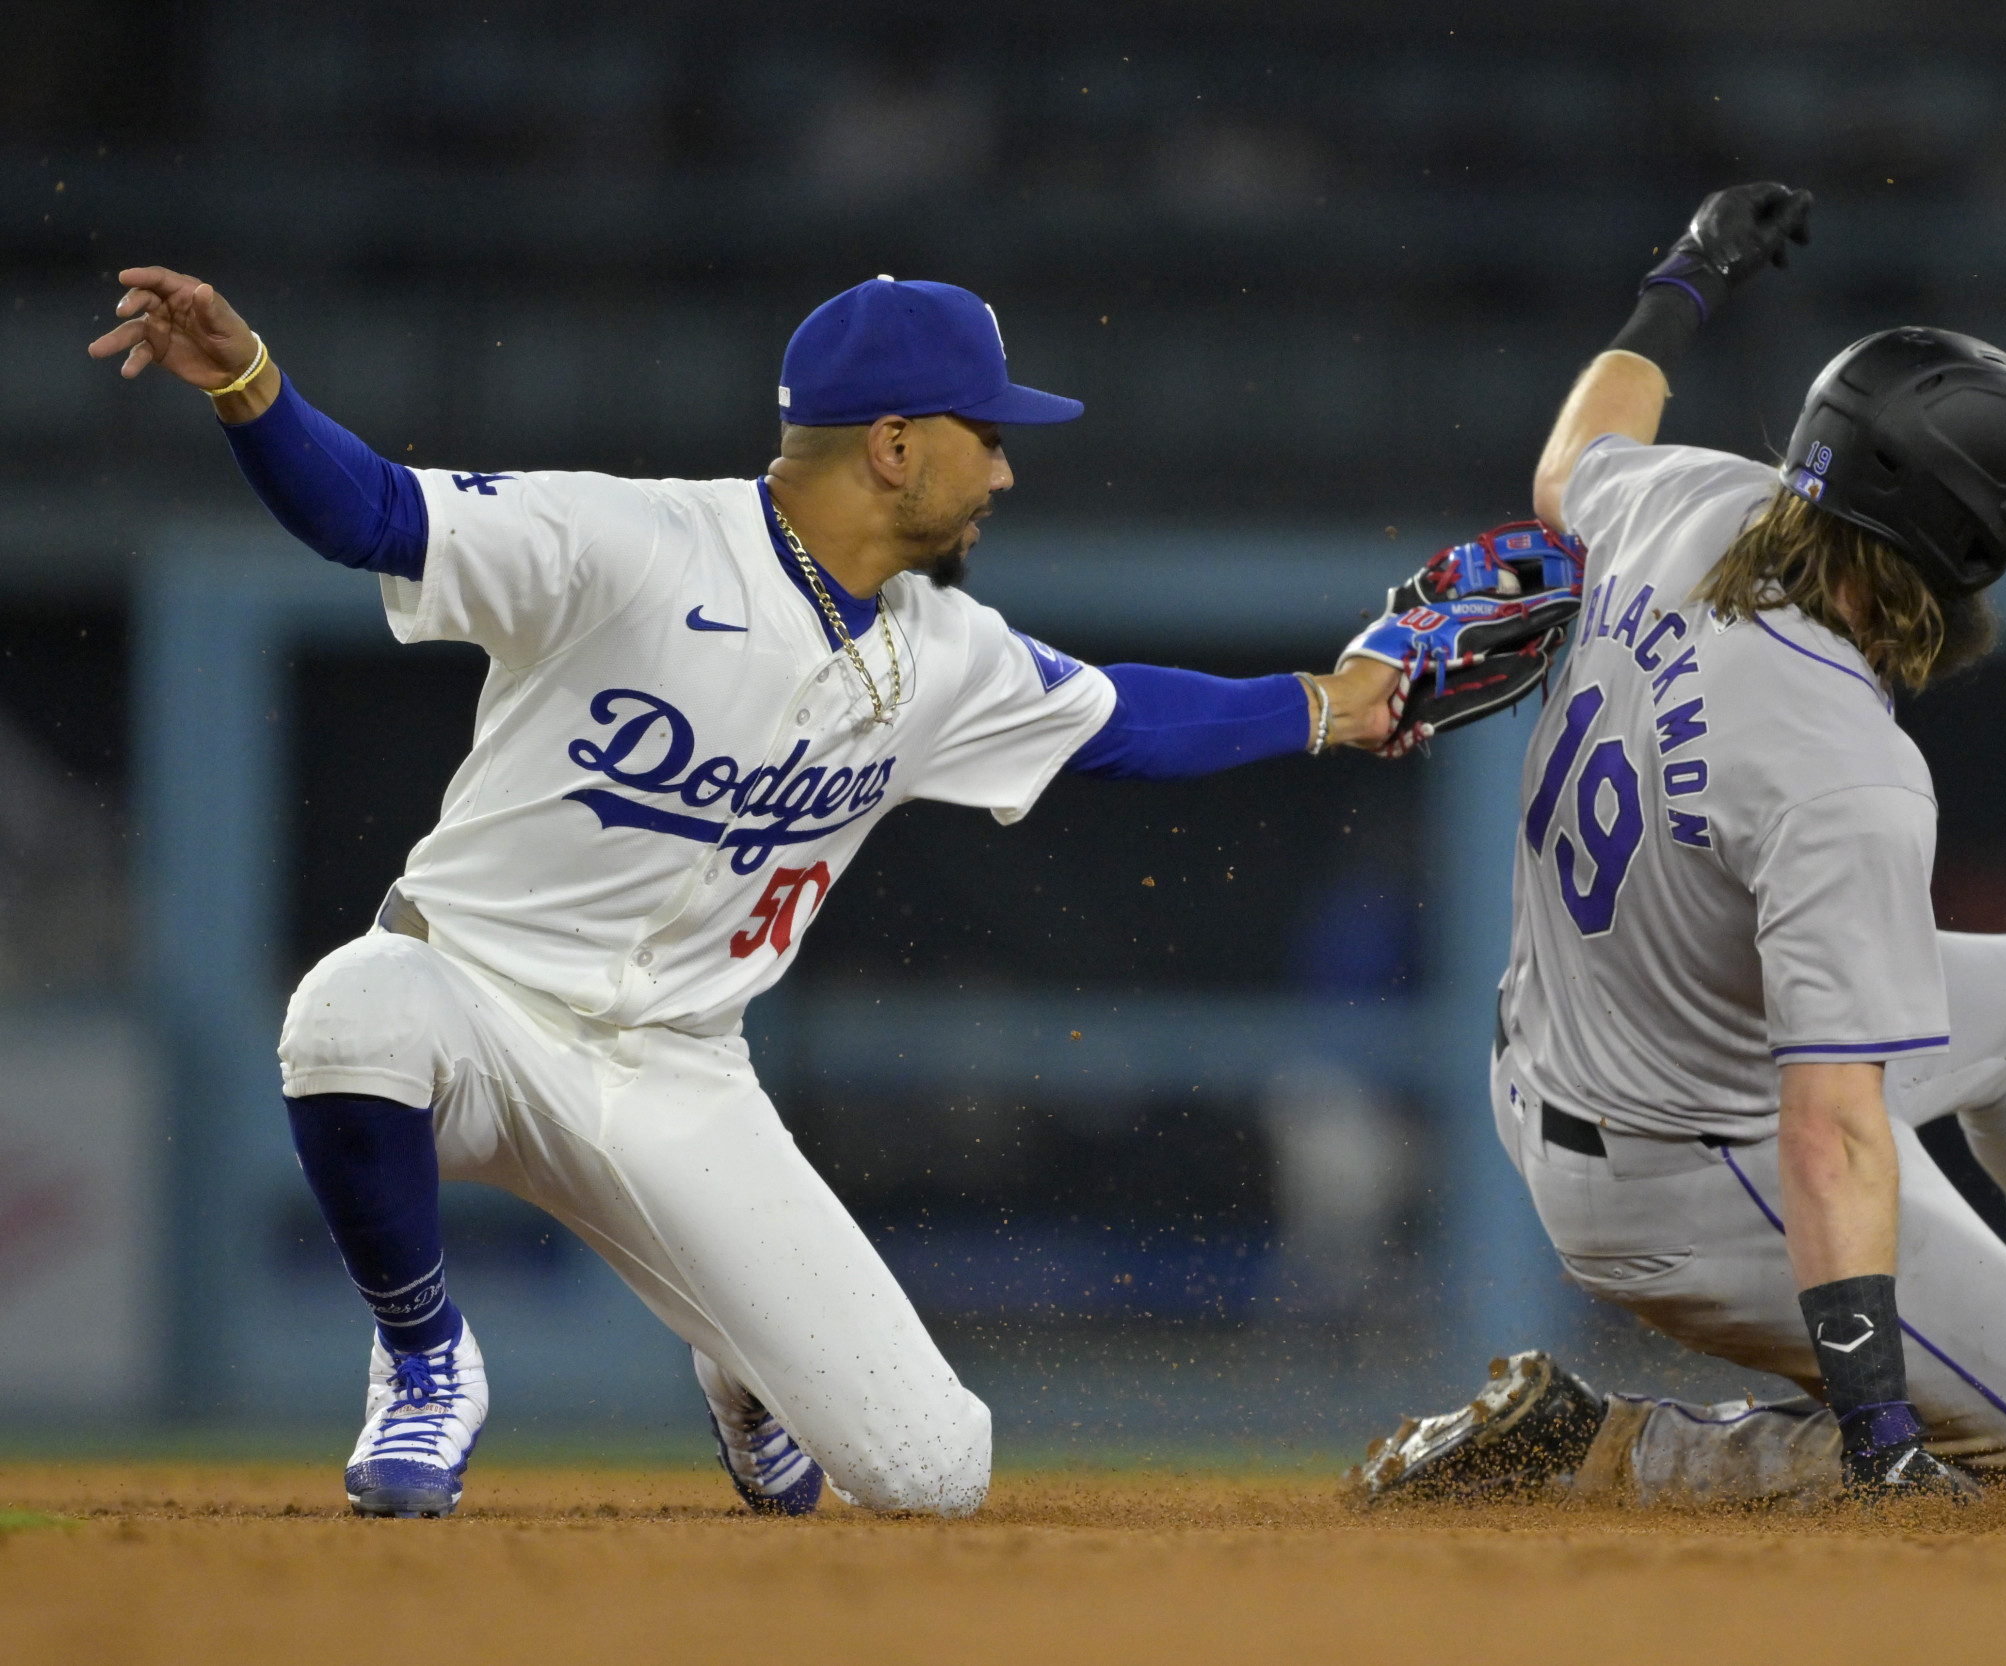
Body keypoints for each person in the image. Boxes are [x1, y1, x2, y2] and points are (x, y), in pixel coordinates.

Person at [90, 267, 1417, 1519]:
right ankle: (426, 1360)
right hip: (472, 1008)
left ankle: (741, 1365)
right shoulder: (634, 542)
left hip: (680, 1076)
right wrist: (249, 382)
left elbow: (1129, 721)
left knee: (936, 1471)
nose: (1005, 468)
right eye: (987, 434)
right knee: (346, 1009)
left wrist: (1327, 706)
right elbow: (373, 511)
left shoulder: (942, 652)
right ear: (892, 445)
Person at [1348, 185, 2006, 1509]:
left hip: (1570, 1052)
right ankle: (1605, 1445)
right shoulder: (1842, 769)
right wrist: (1878, 1431)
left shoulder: (1691, 502)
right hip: (1679, 1172)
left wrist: (1687, 276)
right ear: (1961, 546)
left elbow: (1571, 454)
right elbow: (1832, 1137)